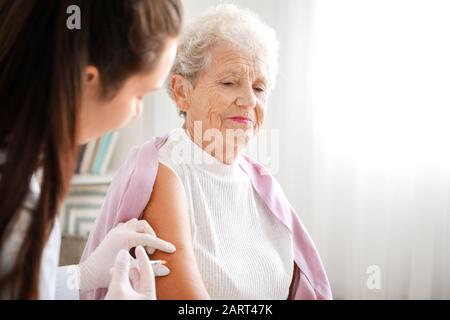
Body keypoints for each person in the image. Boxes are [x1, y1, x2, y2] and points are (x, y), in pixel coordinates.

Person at [82, 4, 332, 300]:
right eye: (229, 82)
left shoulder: (263, 186)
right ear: (181, 92)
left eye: (260, 87)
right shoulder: (164, 173)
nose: (250, 100)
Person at [0, 0, 183, 299]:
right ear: (86, 81)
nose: (138, 112)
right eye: (140, 94)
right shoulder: (16, 205)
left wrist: (82, 276)